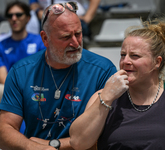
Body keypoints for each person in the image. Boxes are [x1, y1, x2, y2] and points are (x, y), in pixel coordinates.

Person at [0, 2, 116, 150]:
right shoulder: (21, 71)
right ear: (45, 39)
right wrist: (35, 148)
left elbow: (109, 133)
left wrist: (54, 145)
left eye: (78, 34)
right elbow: (4, 132)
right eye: (66, 37)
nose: (75, 43)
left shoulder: (102, 70)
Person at [69, 20, 165, 150]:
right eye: (123, 55)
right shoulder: (103, 98)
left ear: (157, 62)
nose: (125, 61)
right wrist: (106, 98)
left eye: (135, 56)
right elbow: (78, 143)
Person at [0, 1, 46, 84]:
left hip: (35, 89)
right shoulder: (1, 46)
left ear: (28, 18)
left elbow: (43, 73)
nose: (14, 19)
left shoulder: (40, 42)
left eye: (18, 15)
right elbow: (3, 79)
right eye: (10, 16)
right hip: (10, 90)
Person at [29, 0, 101, 37]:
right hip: (47, 19)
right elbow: (33, 3)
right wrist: (38, 11)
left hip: (73, 20)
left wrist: (86, 19)